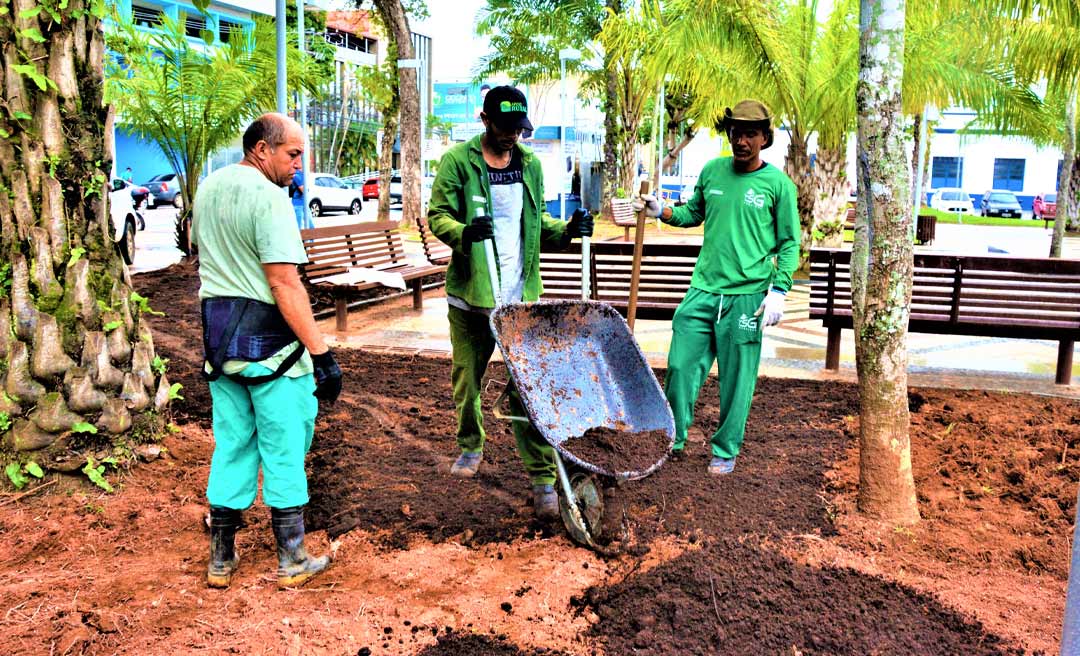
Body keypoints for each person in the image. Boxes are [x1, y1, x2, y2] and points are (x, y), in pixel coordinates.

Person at [428, 85, 593, 519]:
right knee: (467, 381)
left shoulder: (529, 165)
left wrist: (569, 230)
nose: (512, 136)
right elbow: (437, 215)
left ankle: (542, 478)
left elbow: (536, 225)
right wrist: (463, 233)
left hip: (519, 301)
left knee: (528, 389)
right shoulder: (458, 161)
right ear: (485, 120)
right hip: (471, 297)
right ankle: (471, 445)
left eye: (518, 129)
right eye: (504, 127)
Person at [192, 113, 342, 589]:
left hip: (221, 347)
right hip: (274, 352)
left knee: (232, 445)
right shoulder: (269, 198)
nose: (299, 164)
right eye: (292, 154)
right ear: (262, 149)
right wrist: (321, 354)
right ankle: (292, 559)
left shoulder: (208, 189)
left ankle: (221, 560)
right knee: (285, 447)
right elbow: (283, 282)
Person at [633, 99, 799, 475]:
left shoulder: (779, 185)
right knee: (680, 366)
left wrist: (779, 290)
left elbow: (789, 244)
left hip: (748, 297)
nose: (741, 141)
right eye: (736, 133)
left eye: (750, 134)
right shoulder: (712, 171)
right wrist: (663, 211)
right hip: (703, 290)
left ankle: (725, 449)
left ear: (765, 138)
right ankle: (672, 439)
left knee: (737, 379)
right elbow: (694, 212)